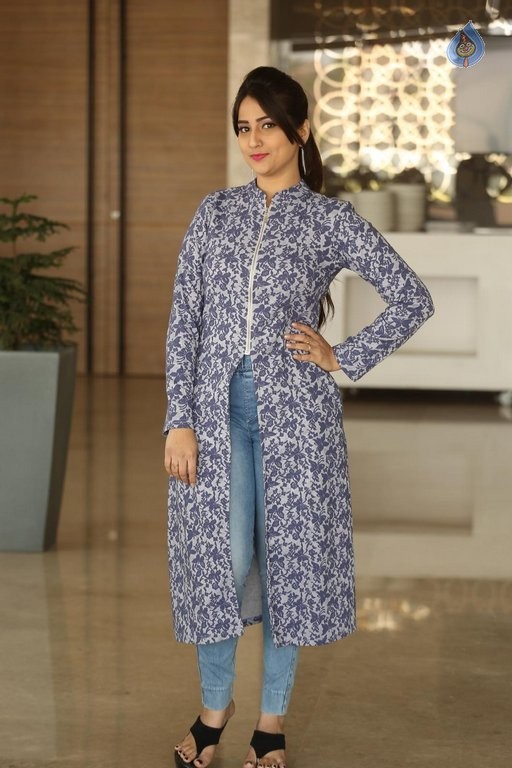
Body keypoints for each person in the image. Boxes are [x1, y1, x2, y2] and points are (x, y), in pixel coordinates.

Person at [163, 66, 434, 768]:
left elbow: (411, 297)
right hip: (215, 418)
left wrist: (342, 355)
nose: (254, 140)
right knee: (223, 561)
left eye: (268, 125)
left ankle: (271, 723)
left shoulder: (328, 218)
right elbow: (185, 321)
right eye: (243, 127)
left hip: (299, 421)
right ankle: (214, 709)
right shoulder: (214, 213)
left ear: (300, 130)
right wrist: (177, 420)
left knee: (289, 566)